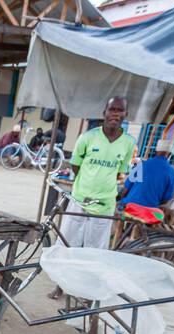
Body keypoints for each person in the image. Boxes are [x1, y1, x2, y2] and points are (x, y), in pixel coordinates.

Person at [62, 97, 135, 249]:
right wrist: (87, 182)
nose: (115, 114)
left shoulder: (129, 143)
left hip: (105, 204)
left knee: (95, 250)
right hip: (80, 199)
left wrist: (102, 185)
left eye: (120, 110)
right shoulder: (87, 137)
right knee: (67, 245)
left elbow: (119, 172)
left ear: (125, 114)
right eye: (112, 109)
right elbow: (75, 166)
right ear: (104, 113)